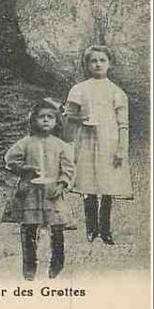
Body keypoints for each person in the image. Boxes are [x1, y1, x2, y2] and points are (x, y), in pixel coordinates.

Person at [64, 45, 133, 244]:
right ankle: (91, 230)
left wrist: (121, 149)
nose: (98, 64)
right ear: (86, 65)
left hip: (109, 143)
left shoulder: (116, 92)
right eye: (93, 61)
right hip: (85, 141)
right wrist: (81, 118)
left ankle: (105, 231)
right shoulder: (79, 89)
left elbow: (123, 124)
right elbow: (69, 117)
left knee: (107, 187)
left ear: (109, 64)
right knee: (88, 186)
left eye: (102, 60)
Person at [1, 99, 75, 281]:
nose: (46, 120)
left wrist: (62, 184)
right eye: (41, 117)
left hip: (52, 193)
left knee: (56, 228)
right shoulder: (26, 143)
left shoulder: (60, 145)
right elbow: (10, 159)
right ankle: (29, 268)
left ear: (57, 122)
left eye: (50, 117)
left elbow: (68, 168)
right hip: (31, 193)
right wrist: (25, 168)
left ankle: (56, 265)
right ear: (33, 121)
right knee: (28, 229)